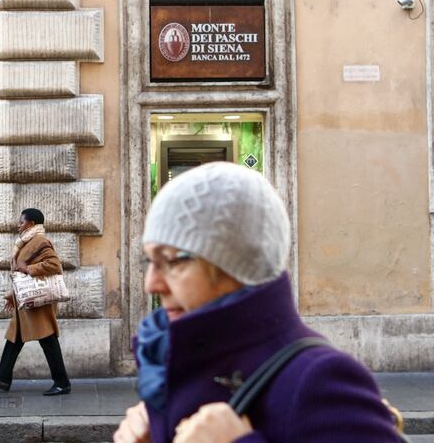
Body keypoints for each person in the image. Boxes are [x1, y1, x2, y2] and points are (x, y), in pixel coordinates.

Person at [114, 162, 400, 443]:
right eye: (149, 261)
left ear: (235, 262)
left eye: (172, 260)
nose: (151, 284)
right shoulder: (168, 369)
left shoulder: (319, 379)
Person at [0, 208, 71, 396]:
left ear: (31, 224)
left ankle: (62, 382)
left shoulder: (40, 240)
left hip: (38, 304)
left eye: (21, 222)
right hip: (27, 303)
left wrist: (29, 268)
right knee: (14, 338)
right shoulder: (26, 242)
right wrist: (12, 294)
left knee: (48, 340)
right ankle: (2, 378)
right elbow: (20, 276)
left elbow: (54, 265)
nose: (18, 225)